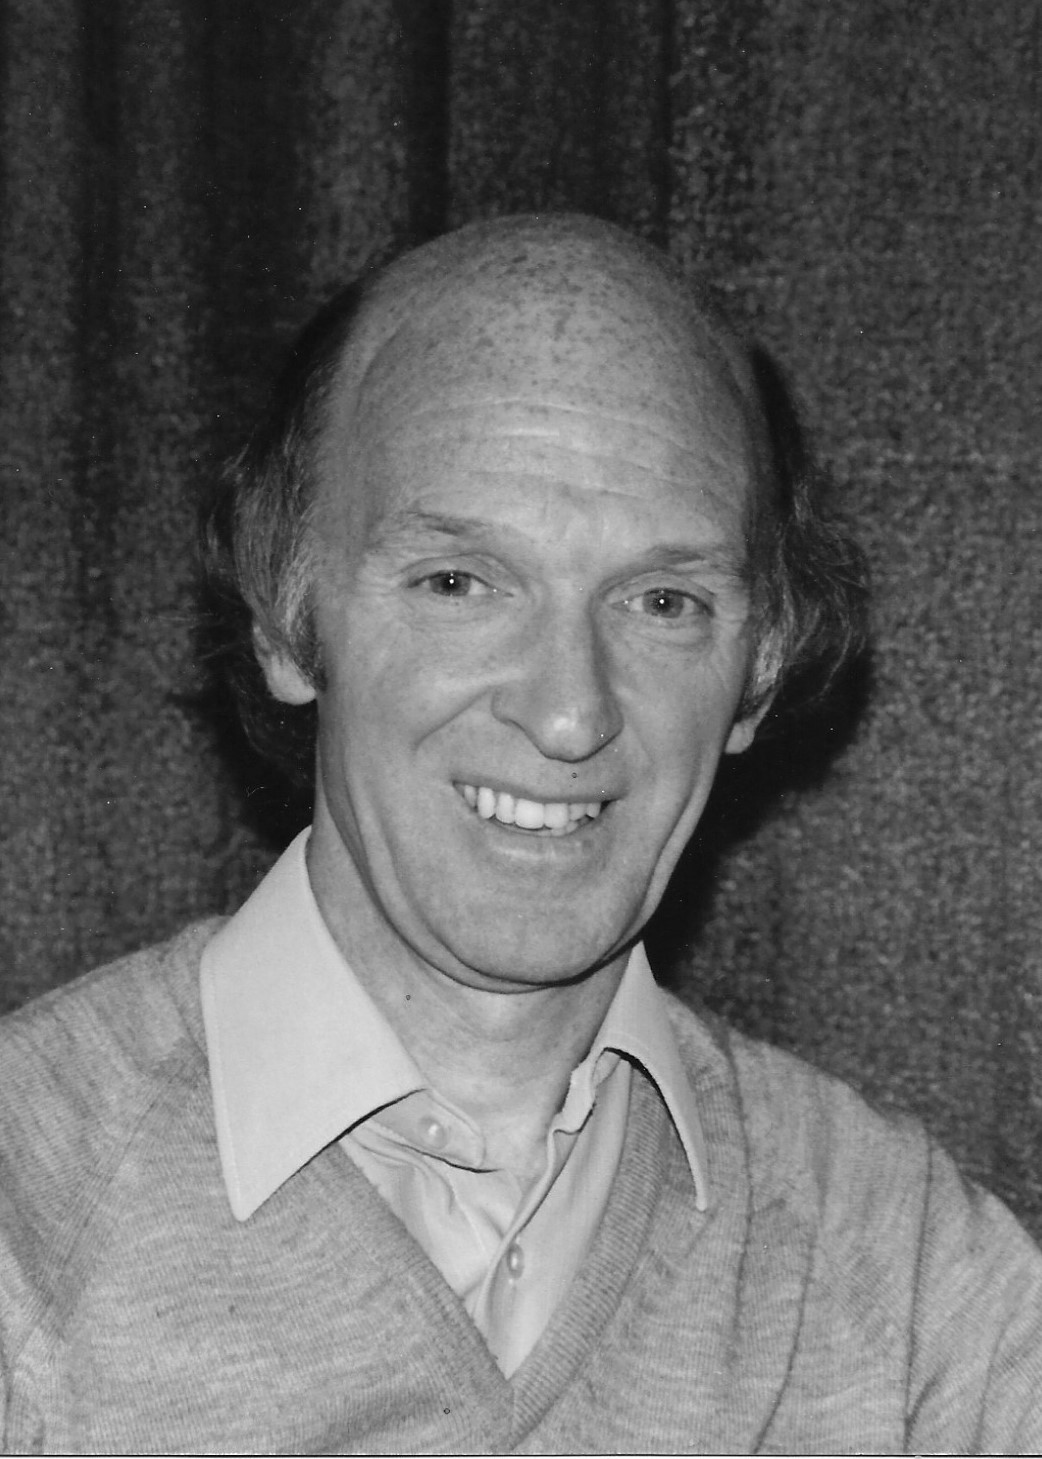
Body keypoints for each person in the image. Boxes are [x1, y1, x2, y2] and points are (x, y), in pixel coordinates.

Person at [1, 213, 1040, 1456]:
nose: (567, 711)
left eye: (662, 601)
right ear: (287, 614)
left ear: (759, 668)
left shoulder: (914, 1292)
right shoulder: (24, 1223)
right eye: (459, 582)